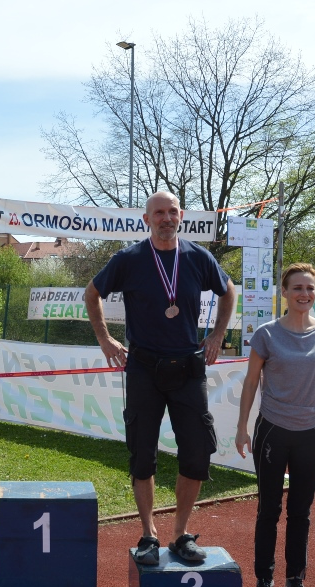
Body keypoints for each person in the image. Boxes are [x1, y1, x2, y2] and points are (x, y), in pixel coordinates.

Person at [85, 190, 236, 565]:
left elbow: (228, 290)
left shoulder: (198, 257)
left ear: (181, 216)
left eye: (172, 212)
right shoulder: (129, 259)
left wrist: (217, 335)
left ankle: (180, 534)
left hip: (187, 368)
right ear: (146, 219)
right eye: (159, 213)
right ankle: (149, 535)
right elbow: (92, 293)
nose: (166, 218)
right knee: (143, 455)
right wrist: (104, 338)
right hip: (143, 368)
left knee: (197, 452)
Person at [235, 262, 315, 587]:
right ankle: (264, 579)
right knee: (268, 510)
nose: (304, 293)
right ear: (284, 292)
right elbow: (251, 383)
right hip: (273, 430)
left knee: (301, 512)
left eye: (310, 288)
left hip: (311, 433)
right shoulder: (266, 334)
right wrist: (241, 427)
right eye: (297, 288)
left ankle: (294, 581)